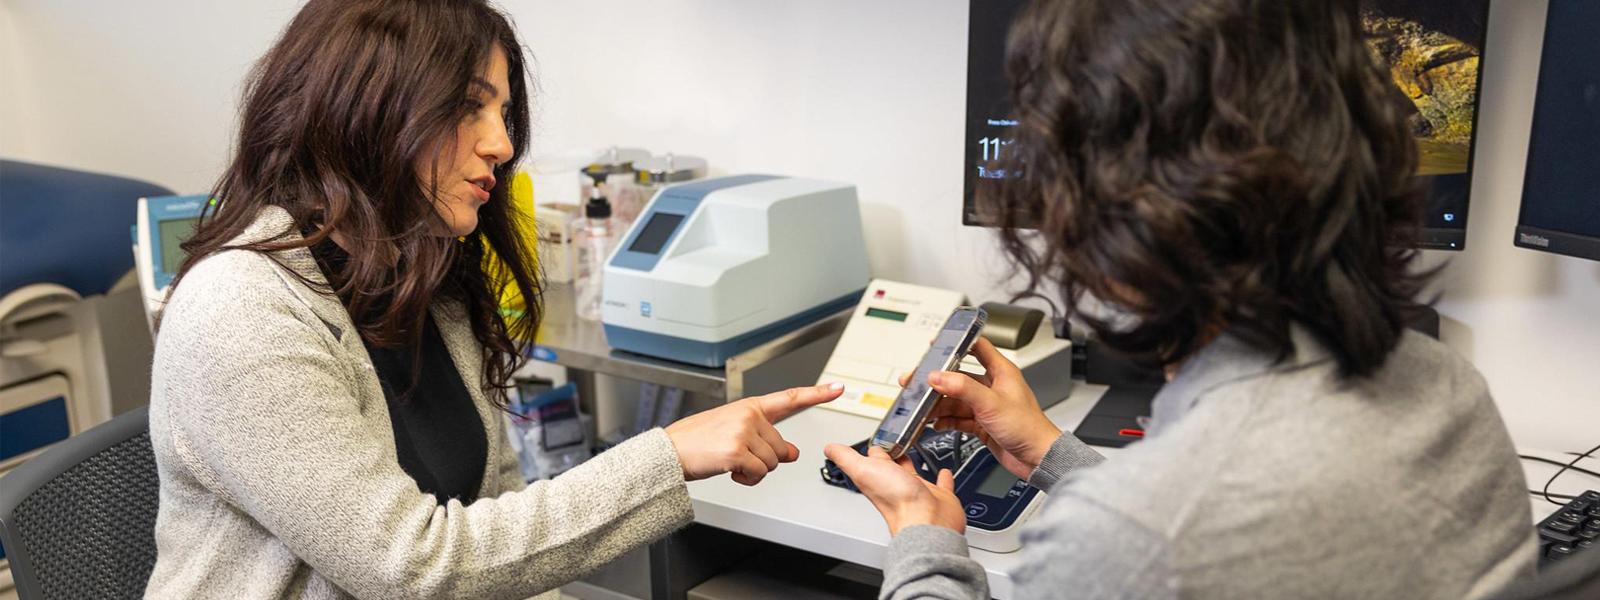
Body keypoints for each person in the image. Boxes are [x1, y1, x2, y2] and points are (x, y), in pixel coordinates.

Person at [828, 0, 1535, 598]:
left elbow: (1152, 539)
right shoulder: (1447, 386)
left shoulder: (1129, 536)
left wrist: (927, 546)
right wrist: (1053, 452)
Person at [143, 1, 841, 598]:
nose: (502, 144)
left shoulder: (422, 284)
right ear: (365, 106)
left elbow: (498, 518)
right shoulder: (240, 310)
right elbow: (409, 566)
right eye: (469, 106)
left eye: (503, 112)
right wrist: (669, 454)